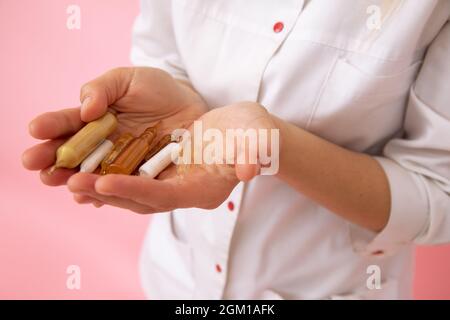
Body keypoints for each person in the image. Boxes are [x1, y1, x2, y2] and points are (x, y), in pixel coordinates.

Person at [22, 0, 450, 299]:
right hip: (176, 278)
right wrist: (170, 91)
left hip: (327, 285)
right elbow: (165, 52)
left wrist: (272, 144)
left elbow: (436, 193)